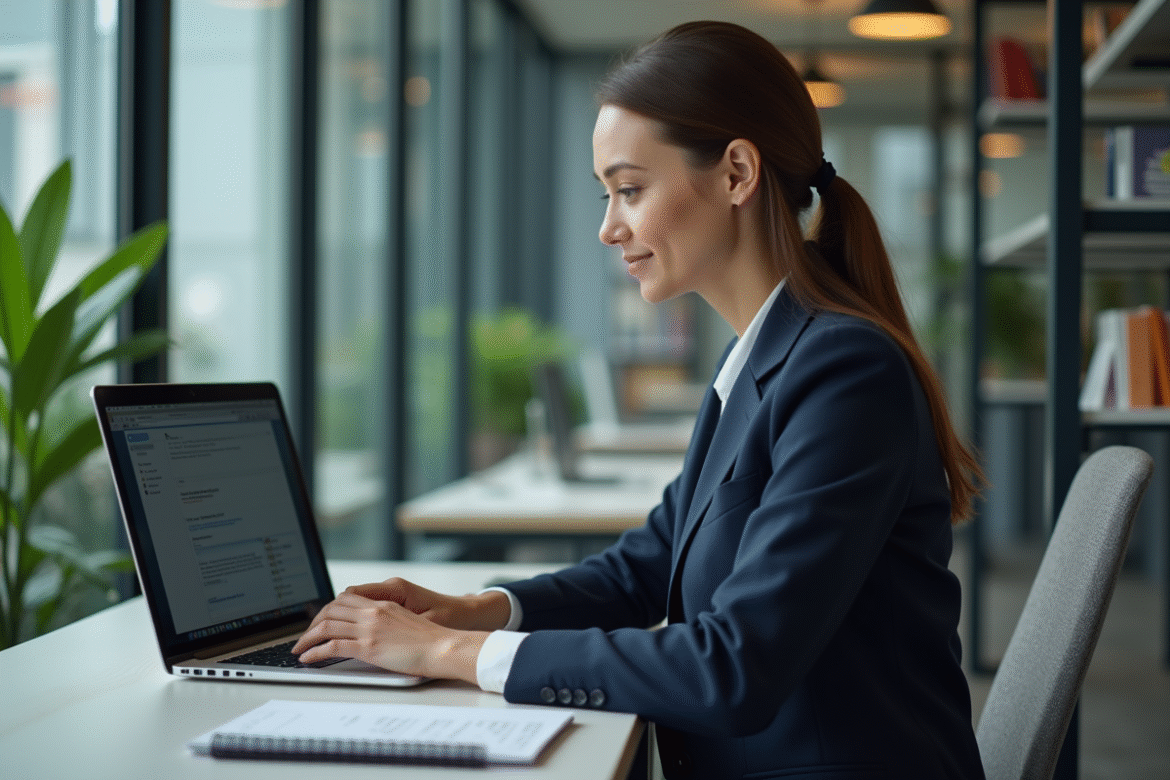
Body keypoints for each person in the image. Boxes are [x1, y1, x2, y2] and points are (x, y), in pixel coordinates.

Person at [293, 20, 986, 780]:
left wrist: (448, 654)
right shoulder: (761, 358)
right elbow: (648, 566)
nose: (607, 228)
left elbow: (734, 667)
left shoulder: (846, 371)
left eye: (629, 189)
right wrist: (475, 609)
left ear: (735, 174)